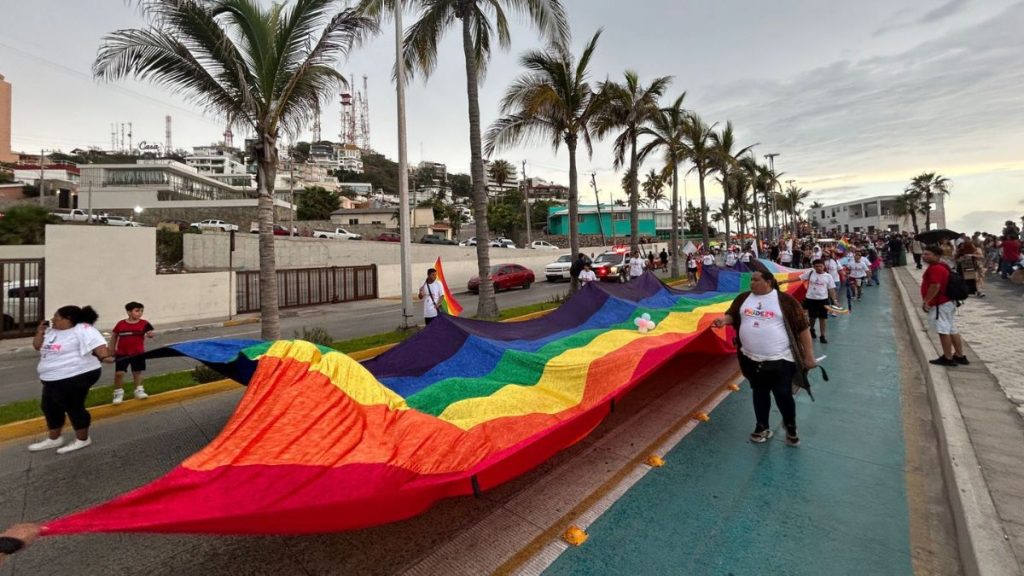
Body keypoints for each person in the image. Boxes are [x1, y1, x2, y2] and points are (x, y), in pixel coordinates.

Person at [711, 265, 816, 446]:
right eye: (751, 280)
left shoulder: (786, 301)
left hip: (781, 359)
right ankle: (762, 426)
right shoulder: (743, 298)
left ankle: (790, 427)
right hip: (750, 359)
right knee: (759, 393)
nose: (751, 283)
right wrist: (724, 320)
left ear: (768, 282)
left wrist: (809, 356)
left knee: (782, 394)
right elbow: (732, 315)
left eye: (756, 280)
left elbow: (803, 329)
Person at [29, 305, 115, 454]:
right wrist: (40, 332)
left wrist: (105, 357)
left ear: (68, 319)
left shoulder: (83, 329)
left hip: (78, 374)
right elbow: (37, 346)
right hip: (51, 378)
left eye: (56, 316)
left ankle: (82, 439)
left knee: (73, 406)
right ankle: (54, 439)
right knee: (49, 407)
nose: (52, 319)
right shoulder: (51, 331)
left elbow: (99, 347)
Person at [920, 246, 967, 367]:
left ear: (937, 256)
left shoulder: (935, 268)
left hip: (940, 304)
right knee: (951, 329)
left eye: (928, 254)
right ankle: (959, 355)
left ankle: (948, 357)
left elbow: (935, 286)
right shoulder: (943, 265)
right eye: (924, 254)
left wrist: (926, 301)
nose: (924, 256)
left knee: (943, 331)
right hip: (948, 303)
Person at [109, 301, 155, 405]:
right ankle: (118, 393)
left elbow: (150, 332)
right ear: (129, 312)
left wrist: (150, 334)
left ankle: (139, 390)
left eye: (141, 311)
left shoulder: (144, 323)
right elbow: (114, 336)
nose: (140, 313)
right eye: (137, 311)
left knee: (137, 372)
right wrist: (111, 348)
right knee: (119, 373)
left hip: (138, 353)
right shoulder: (121, 324)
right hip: (122, 353)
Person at [800, 259, 837, 344]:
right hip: (811, 299)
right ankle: (812, 329)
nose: (819, 268)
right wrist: (784, 281)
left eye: (821, 266)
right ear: (813, 267)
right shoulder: (810, 273)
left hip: (823, 300)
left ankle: (822, 335)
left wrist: (834, 300)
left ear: (824, 266)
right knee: (812, 317)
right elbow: (799, 278)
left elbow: (831, 289)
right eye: (817, 266)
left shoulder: (828, 276)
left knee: (823, 318)